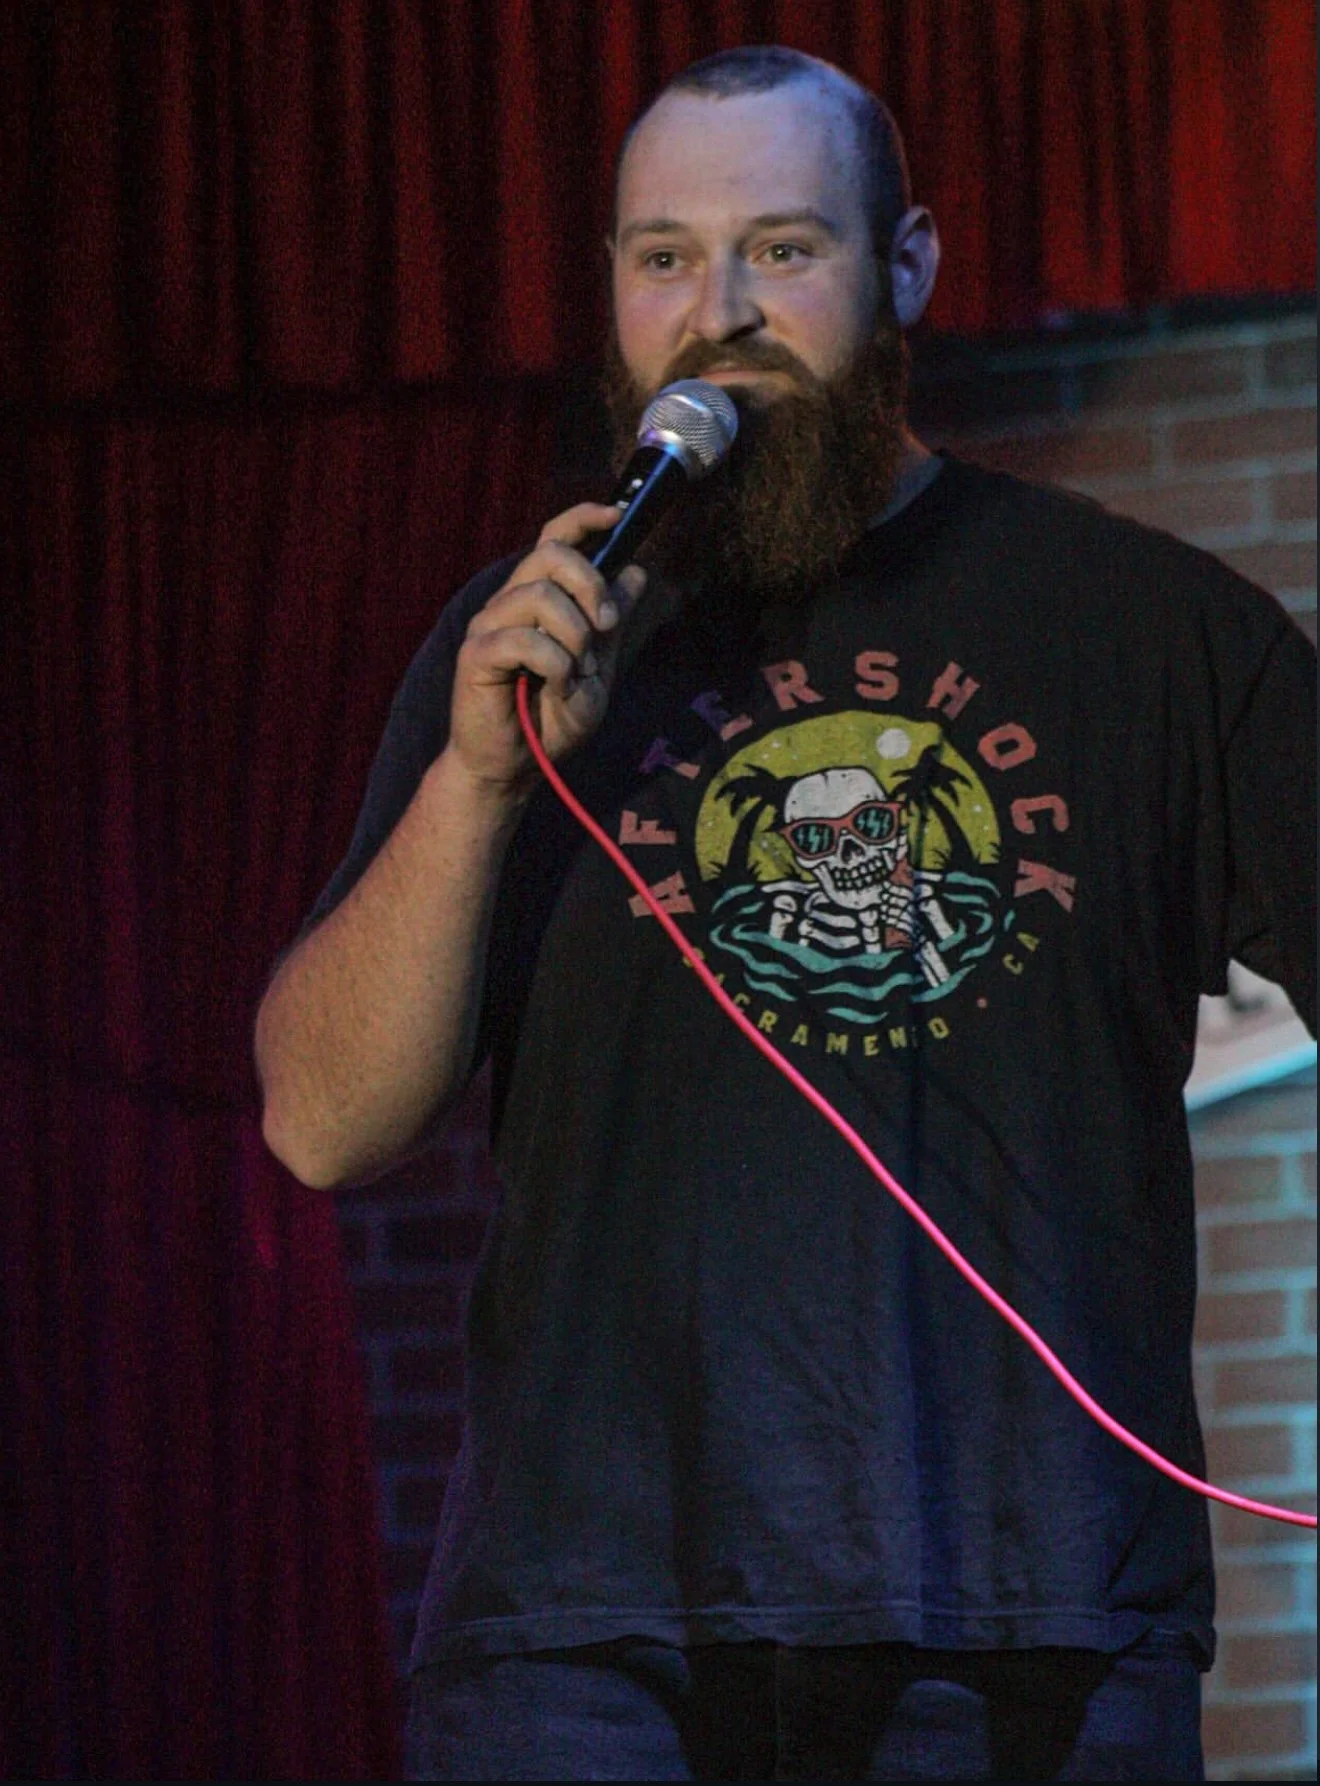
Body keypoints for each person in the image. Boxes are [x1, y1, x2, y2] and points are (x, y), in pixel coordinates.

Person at [254, 46, 1316, 1783]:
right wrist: (478, 783)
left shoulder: (1148, 630)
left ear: (908, 266)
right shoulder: (523, 643)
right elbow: (320, 1119)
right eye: (664, 257)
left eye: (784, 250)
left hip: (1034, 1628)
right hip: (591, 1646)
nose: (718, 313)